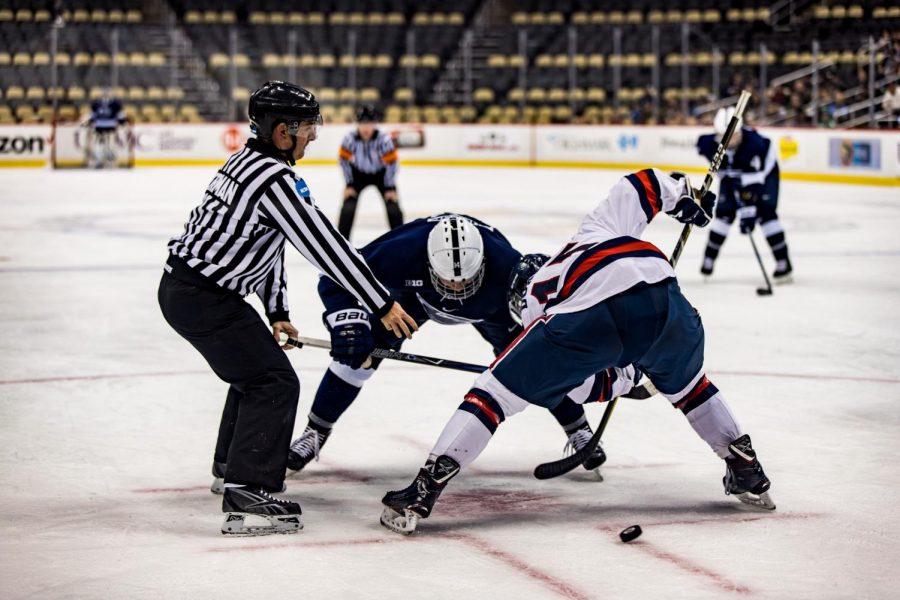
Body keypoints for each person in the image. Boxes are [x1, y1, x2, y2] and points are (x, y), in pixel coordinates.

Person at [379, 169, 775, 535]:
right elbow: (640, 186)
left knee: (491, 395)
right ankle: (745, 465)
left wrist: (623, 379)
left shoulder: (537, 303)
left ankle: (425, 487)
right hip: (667, 297)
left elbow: (579, 386)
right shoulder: (596, 229)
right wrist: (682, 196)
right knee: (691, 388)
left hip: (594, 313)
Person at [158, 81, 417, 536]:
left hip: (191, 290)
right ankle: (247, 493)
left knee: (253, 373)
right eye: (306, 127)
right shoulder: (274, 180)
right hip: (203, 297)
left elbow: (267, 245)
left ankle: (228, 469)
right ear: (282, 131)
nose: (313, 136)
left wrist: (277, 310)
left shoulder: (249, 162)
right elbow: (326, 247)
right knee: (273, 381)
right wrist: (381, 302)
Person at [285, 214, 608, 478]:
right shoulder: (401, 252)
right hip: (412, 302)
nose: (456, 290)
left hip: (490, 307)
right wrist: (349, 322)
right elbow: (335, 276)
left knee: (535, 364)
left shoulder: (504, 264)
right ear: (428, 263)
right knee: (356, 359)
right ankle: (315, 433)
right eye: (449, 281)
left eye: (465, 281)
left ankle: (578, 430)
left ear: (482, 265)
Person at [698, 108, 793, 283]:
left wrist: (749, 210)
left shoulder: (756, 145)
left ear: (740, 131)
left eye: (733, 136)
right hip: (733, 177)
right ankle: (709, 257)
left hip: (764, 177)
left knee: (765, 214)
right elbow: (716, 167)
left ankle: (783, 262)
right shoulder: (708, 144)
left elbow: (756, 181)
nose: (729, 141)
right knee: (724, 214)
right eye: (723, 137)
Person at [337, 104, 402, 238]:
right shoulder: (349, 139)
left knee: (393, 209)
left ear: (375, 124)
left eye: (370, 123)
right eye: (362, 123)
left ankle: (400, 241)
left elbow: (392, 163)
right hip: (358, 175)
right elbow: (343, 160)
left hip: (381, 176)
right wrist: (349, 184)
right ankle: (341, 245)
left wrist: (389, 186)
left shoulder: (384, 140)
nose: (366, 127)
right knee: (348, 208)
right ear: (358, 124)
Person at [86, 88, 127, 168]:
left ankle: (108, 160)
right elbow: (92, 115)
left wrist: (122, 122)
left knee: (109, 144)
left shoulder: (115, 104)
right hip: (101, 126)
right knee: (101, 144)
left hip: (108, 126)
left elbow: (120, 115)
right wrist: (122, 122)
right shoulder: (97, 103)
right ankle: (101, 160)